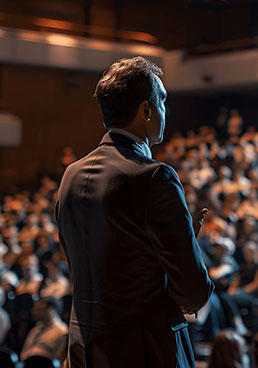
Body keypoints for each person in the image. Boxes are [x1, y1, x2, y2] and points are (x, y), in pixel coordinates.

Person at [56, 57, 214, 368]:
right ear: (146, 110)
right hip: (145, 350)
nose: (166, 110)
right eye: (163, 100)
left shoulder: (70, 175)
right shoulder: (155, 177)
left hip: (84, 350)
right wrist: (189, 249)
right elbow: (194, 294)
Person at [20, 296, 68, 363]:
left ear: (51, 309)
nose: (34, 311)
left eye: (39, 308)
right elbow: (23, 354)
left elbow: (58, 361)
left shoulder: (62, 331)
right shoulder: (36, 329)